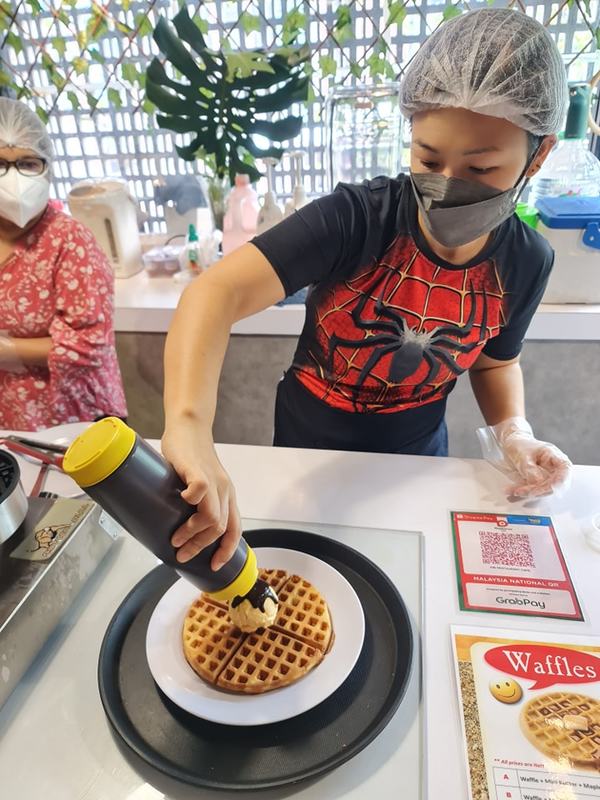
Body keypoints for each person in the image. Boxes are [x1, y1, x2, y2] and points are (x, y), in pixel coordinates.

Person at [161, 9, 573, 570]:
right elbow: (214, 294)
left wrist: (514, 434)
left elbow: (496, 362)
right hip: (305, 459)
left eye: (480, 169)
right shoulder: (355, 218)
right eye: (428, 158)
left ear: (539, 154)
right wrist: (187, 427)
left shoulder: (526, 261)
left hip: (416, 465)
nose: (447, 185)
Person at [0, 98, 127, 430]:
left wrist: (6, 350)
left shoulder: (70, 241)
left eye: (28, 163)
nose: (14, 178)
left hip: (69, 413)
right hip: (10, 413)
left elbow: (88, 346)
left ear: (47, 166)